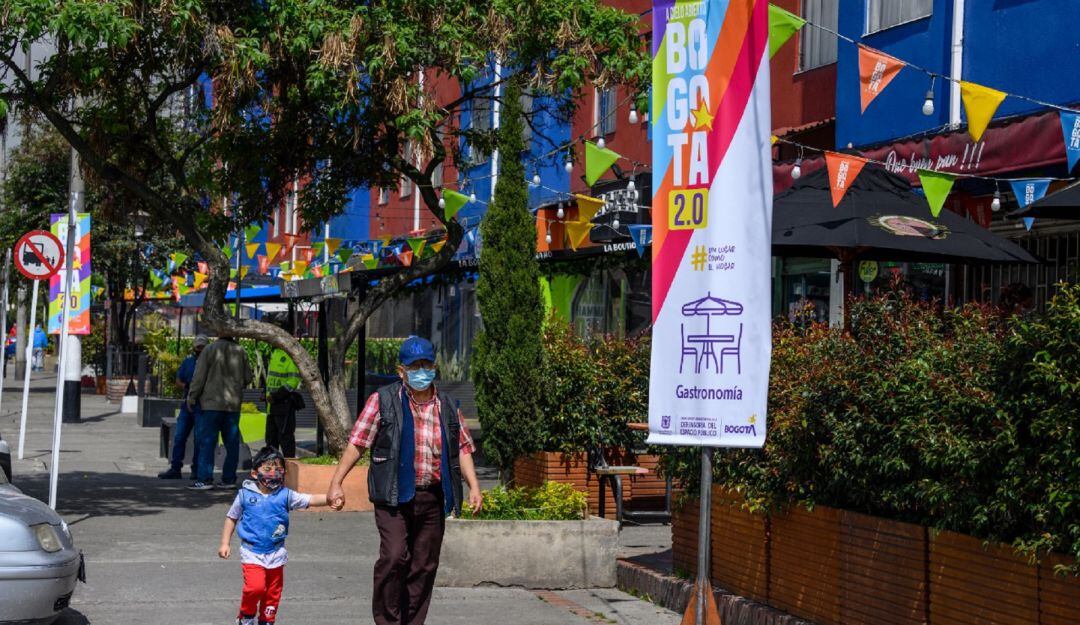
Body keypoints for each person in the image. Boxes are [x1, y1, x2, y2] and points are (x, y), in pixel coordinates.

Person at [327, 336, 482, 625]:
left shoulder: (446, 405)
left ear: (435, 367)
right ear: (401, 371)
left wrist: (474, 486)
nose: (421, 372)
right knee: (395, 556)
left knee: (424, 564)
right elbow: (358, 442)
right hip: (394, 496)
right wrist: (337, 481)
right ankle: (387, 620)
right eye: (415, 366)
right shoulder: (383, 400)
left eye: (426, 365)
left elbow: (461, 447)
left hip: (433, 496)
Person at [218, 446, 330, 625]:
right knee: (255, 588)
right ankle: (246, 616)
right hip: (252, 552)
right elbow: (232, 517)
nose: (273, 474)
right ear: (255, 473)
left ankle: (267, 620)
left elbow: (309, 499)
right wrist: (225, 543)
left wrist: (330, 498)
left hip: (276, 553)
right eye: (267, 469)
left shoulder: (285, 495)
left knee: (273, 592)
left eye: (278, 469)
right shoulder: (245, 495)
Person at [187, 335, 254, 491]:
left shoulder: (209, 349)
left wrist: (192, 397)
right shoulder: (240, 350)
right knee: (232, 444)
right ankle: (229, 479)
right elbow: (248, 377)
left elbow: (199, 377)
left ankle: (205, 479)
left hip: (211, 404)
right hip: (232, 405)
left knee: (208, 443)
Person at [158, 335, 209, 479]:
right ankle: (175, 468)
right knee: (179, 436)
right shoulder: (188, 362)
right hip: (187, 403)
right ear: (194, 347)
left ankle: (196, 469)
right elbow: (178, 381)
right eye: (198, 347)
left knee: (199, 439)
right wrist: (187, 386)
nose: (200, 349)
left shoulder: (210, 364)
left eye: (203, 347)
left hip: (202, 404)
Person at [265, 340, 303, 458]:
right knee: (271, 440)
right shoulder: (274, 353)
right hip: (271, 406)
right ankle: (272, 469)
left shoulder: (289, 355)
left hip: (284, 405)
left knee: (286, 440)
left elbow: (293, 381)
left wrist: (276, 396)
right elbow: (272, 379)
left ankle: (290, 470)